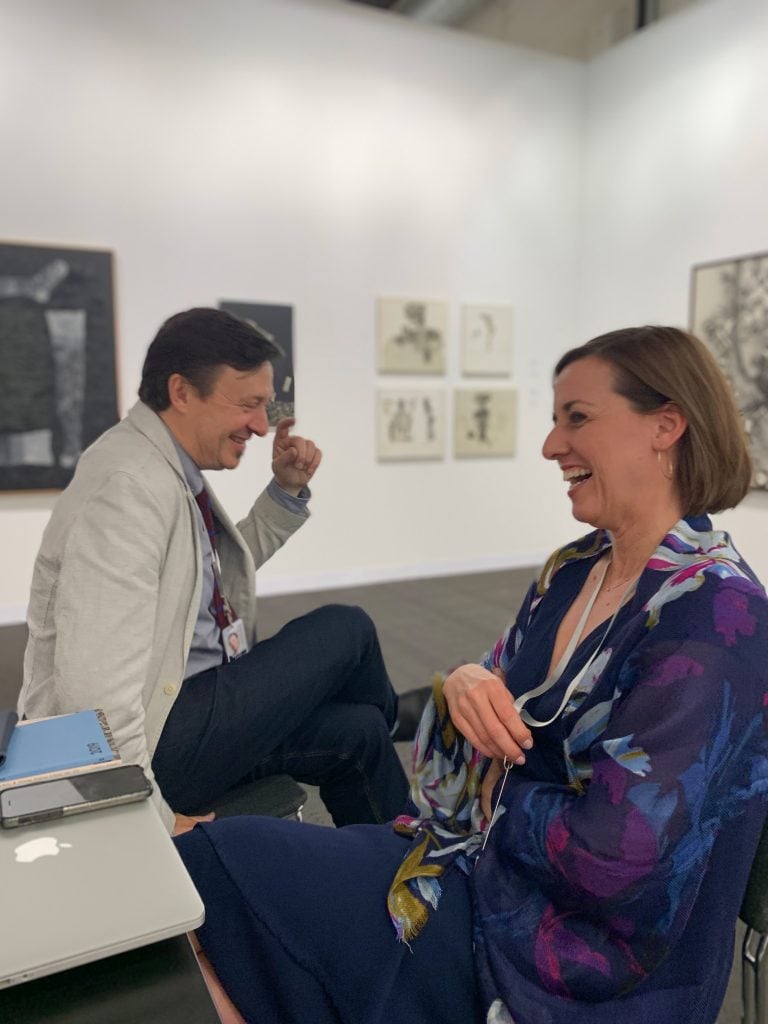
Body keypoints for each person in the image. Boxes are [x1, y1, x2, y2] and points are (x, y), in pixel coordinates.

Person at [174, 325, 768, 1024]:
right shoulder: (571, 570)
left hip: (577, 961)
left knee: (218, 871)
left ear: (666, 426)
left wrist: (487, 790)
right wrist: (460, 684)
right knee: (200, 884)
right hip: (478, 872)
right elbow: (442, 766)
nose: (551, 445)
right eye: (554, 420)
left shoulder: (721, 615)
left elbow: (613, 859)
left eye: (577, 418)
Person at [18, 307, 425, 835]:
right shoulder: (127, 490)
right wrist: (149, 821)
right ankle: (407, 722)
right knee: (347, 629)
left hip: (184, 714)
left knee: (360, 731)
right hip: (152, 750)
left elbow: (207, 580)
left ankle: (403, 876)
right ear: (183, 392)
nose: (261, 425)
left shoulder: (162, 468)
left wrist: (284, 492)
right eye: (249, 405)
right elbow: (91, 695)